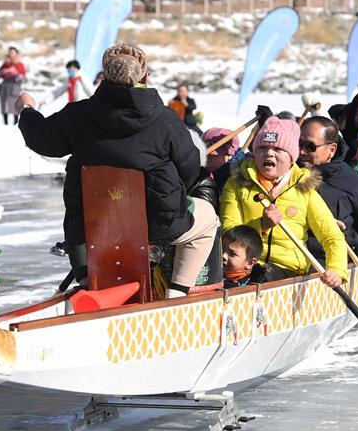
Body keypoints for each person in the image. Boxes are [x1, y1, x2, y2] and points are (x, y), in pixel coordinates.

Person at [16, 42, 218, 299]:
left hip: (92, 226)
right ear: (145, 76)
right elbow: (189, 171)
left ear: (105, 76)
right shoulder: (166, 120)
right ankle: (177, 292)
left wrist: (26, 109)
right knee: (209, 218)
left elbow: (41, 139)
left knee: (81, 223)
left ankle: (88, 280)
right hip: (157, 226)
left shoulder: (78, 115)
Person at [220, 116, 347, 286]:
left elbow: (331, 236)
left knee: (264, 274)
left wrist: (336, 270)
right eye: (263, 147)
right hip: (242, 265)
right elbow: (228, 231)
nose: (269, 153)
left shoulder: (304, 187)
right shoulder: (236, 183)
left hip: (287, 268)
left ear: (291, 157)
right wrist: (261, 226)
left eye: (278, 149)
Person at [298, 116, 358, 301]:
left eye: (309, 146)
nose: (301, 151)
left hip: (330, 266)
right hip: (293, 259)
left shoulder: (354, 181)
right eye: (298, 143)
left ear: (331, 149)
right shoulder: (287, 173)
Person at [202, 127, 240, 193]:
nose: (205, 157)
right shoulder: (196, 172)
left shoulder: (231, 181)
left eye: (211, 155)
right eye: (202, 153)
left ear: (229, 156)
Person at [0, 46, 26, 125]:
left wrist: (15, 73)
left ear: (16, 53)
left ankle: (15, 124)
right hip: (4, 88)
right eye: (10, 52)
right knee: (4, 107)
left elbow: (22, 76)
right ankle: (5, 124)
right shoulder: (5, 63)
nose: (11, 54)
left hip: (14, 88)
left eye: (13, 52)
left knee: (15, 107)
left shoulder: (20, 64)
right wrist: (5, 72)